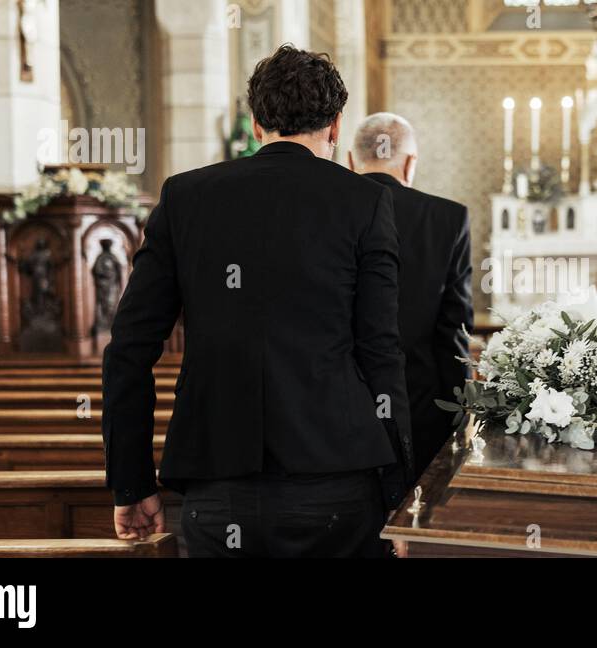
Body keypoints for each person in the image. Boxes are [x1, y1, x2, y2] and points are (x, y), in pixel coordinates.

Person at [102, 45, 413, 558]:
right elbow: (381, 353)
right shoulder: (364, 201)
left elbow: (129, 350)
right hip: (337, 476)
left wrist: (131, 484)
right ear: (335, 126)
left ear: (254, 123)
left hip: (220, 483)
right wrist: (401, 493)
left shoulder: (185, 197)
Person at [348, 113, 473, 475]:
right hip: (421, 403)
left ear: (351, 160)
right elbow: (454, 328)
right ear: (410, 162)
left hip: (337, 405)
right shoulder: (447, 217)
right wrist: (458, 412)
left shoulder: (327, 212)